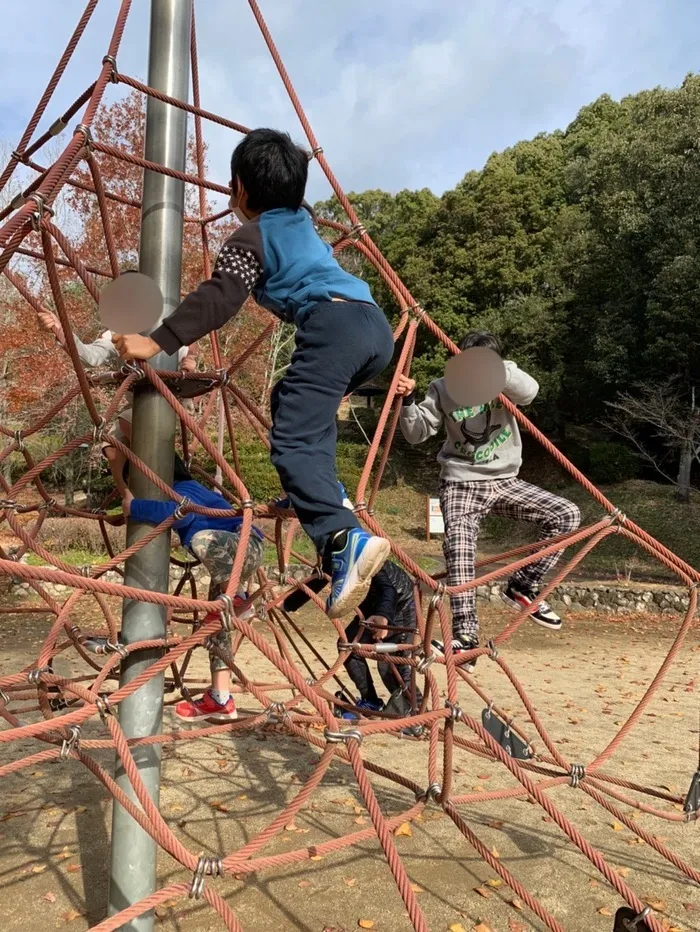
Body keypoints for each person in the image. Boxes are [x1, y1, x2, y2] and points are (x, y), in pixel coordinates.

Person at [109, 128, 393, 619]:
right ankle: (317, 491)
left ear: (238, 188)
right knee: (292, 403)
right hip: (372, 328)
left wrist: (158, 341)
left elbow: (221, 297)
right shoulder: (301, 222)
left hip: (332, 326)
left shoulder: (250, 237)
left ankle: (341, 536)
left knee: (292, 441)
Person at [397, 330, 581, 659]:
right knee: (460, 549)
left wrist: (496, 370)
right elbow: (415, 433)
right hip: (461, 482)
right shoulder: (443, 387)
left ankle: (523, 585)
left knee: (566, 515)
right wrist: (408, 400)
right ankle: (464, 635)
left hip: (505, 480)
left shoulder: (503, 379)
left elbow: (530, 392)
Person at [122, 459, 265, 722]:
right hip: (232, 558)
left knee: (203, 540)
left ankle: (237, 600)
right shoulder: (190, 490)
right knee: (218, 630)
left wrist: (135, 506)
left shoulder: (186, 488)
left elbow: (181, 512)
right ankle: (221, 698)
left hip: (243, 547)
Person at [37, 309, 195, 496]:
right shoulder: (120, 332)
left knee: (129, 421)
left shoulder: (170, 327)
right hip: (138, 400)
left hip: (169, 400)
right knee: (111, 448)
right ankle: (129, 499)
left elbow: (191, 348)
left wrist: (189, 361)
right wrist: (59, 330)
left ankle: (177, 481)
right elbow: (91, 356)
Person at [284, 559, 423, 734]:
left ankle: (416, 712)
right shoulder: (335, 550)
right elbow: (319, 578)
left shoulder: (364, 552)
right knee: (347, 644)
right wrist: (286, 604)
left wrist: (382, 615)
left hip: (399, 602)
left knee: (389, 666)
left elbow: (389, 589)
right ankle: (370, 700)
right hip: (373, 601)